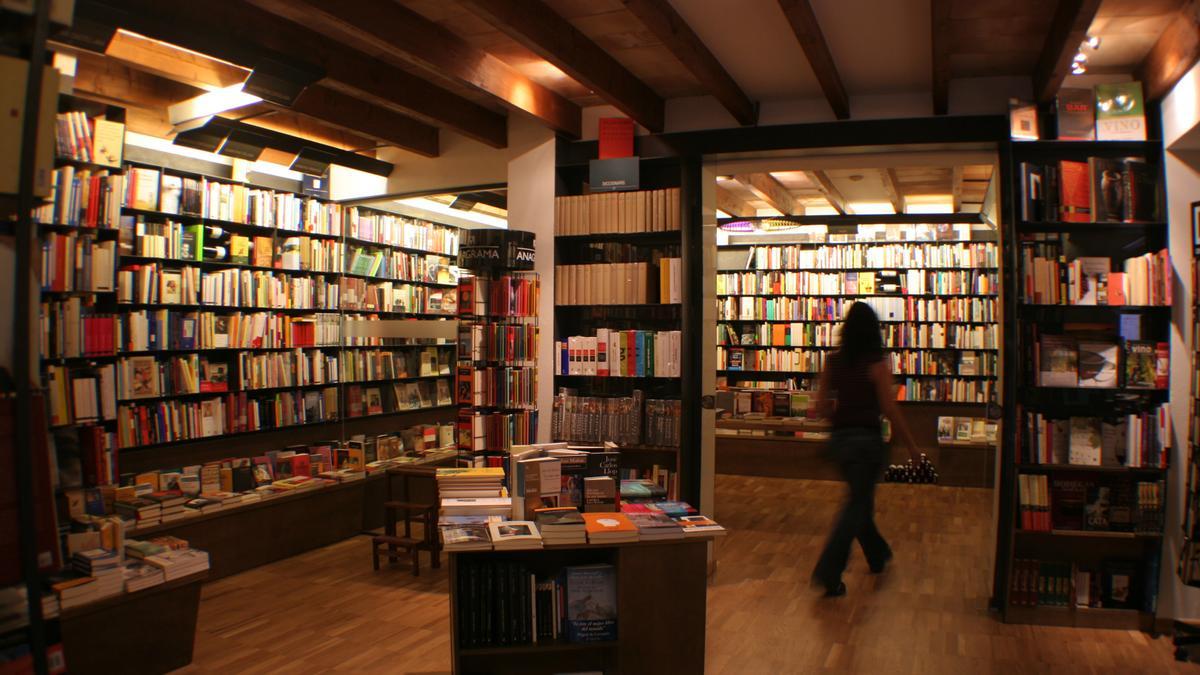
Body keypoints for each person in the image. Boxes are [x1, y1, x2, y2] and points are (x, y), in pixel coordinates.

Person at [811, 301, 918, 597]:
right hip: (868, 444)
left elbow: (820, 406)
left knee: (860, 502)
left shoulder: (833, 362)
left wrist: (833, 413)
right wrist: (912, 447)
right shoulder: (876, 363)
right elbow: (889, 409)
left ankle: (877, 553)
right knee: (857, 505)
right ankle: (829, 571)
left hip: (841, 442)